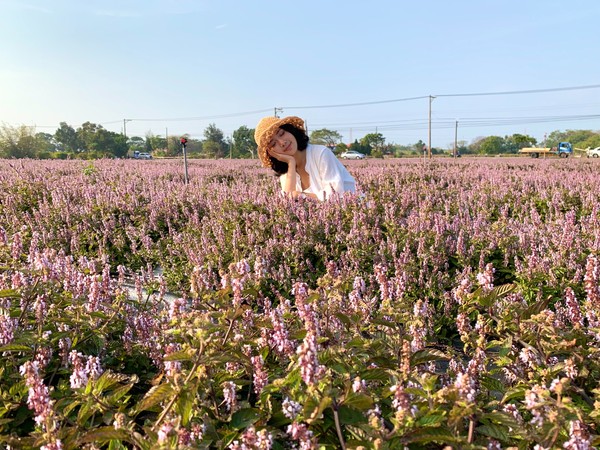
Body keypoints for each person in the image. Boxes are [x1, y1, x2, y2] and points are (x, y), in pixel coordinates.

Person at [254, 116, 356, 201]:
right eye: (273, 143)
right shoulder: (286, 173)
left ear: (291, 131)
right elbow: (287, 204)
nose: (282, 142)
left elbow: (335, 196)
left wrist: (300, 196)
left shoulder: (320, 153)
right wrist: (291, 163)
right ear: (271, 153)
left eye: (281, 133)